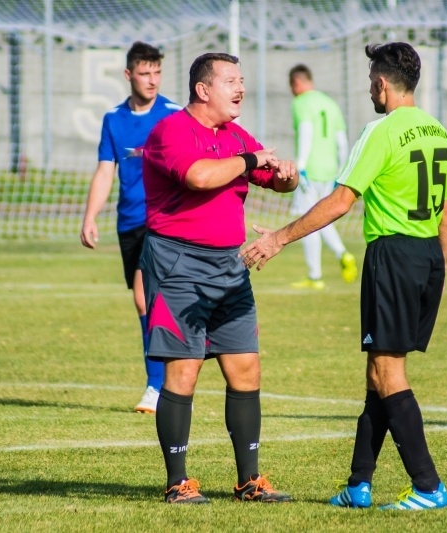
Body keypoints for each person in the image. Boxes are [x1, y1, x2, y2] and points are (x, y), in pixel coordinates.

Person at [242, 42, 447, 511]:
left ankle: (428, 486)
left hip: (393, 255)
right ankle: (360, 482)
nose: (369, 89)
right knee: (375, 375)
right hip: (427, 256)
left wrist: (278, 238)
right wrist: (437, 265)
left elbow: (341, 201)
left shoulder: (380, 131)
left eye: (370, 81)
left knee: (388, 372)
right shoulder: (437, 131)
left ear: (381, 83)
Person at [140, 52, 297, 504]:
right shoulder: (171, 130)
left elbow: (276, 179)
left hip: (230, 267)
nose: (241, 87)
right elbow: (198, 176)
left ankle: (249, 480)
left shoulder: (235, 135)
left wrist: (287, 176)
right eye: (231, 80)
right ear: (202, 90)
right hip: (177, 265)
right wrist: (249, 160)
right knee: (183, 372)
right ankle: (178, 483)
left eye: (242, 79)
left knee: (246, 367)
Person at [80, 41, 181, 414]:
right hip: (129, 224)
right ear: (128, 75)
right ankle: (168, 377)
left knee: (145, 298)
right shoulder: (113, 120)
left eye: (157, 72)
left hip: (165, 220)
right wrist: (90, 216)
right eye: (144, 73)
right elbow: (106, 169)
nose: (152, 80)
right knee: (149, 303)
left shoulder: (173, 115)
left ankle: (156, 387)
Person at [287, 64, 357, 289]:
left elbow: (306, 130)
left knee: (308, 220)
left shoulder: (301, 103)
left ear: (297, 83)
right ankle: (342, 255)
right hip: (331, 171)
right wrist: (341, 169)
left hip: (311, 171)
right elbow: (342, 140)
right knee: (322, 217)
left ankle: (315, 276)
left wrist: (302, 165)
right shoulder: (330, 103)